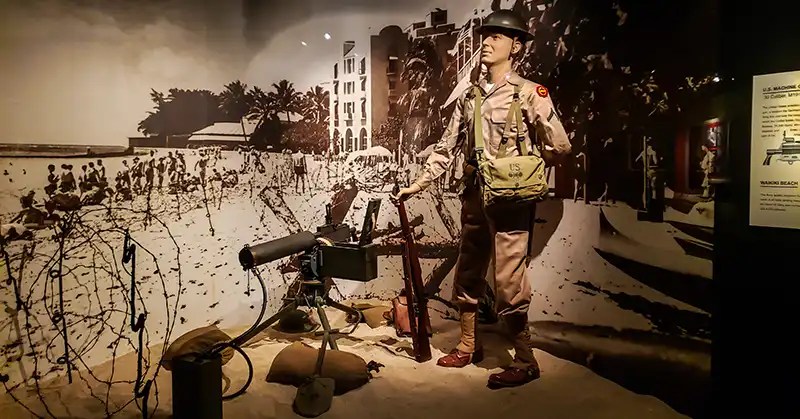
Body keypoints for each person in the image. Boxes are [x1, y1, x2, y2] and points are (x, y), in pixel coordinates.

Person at [394, 9, 571, 388]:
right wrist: (420, 183)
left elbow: (559, 144)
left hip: (510, 200)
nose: (486, 42)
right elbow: (446, 147)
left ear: (516, 46)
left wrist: (523, 167)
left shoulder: (529, 93)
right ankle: (468, 344)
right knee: (469, 271)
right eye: (485, 36)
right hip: (475, 195)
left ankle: (525, 361)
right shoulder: (470, 97)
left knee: (509, 282)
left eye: (497, 37)